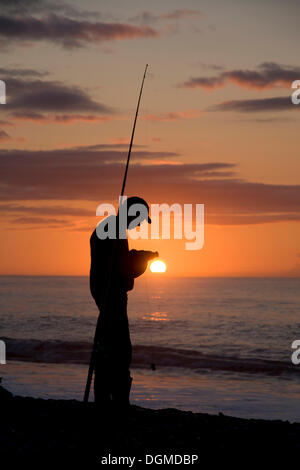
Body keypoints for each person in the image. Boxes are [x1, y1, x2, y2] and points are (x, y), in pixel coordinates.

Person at [89, 196, 158, 410]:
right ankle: (114, 401)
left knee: (108, 346)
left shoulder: (112, 228)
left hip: (106, 293)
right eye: (139, 219)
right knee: (119, 349)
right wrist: (142, 260)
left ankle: (107, 399)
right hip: (111, 295)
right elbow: (121, 269)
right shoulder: (114, 229)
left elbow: (118, 260)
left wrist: (136, 257)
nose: (138, 225)